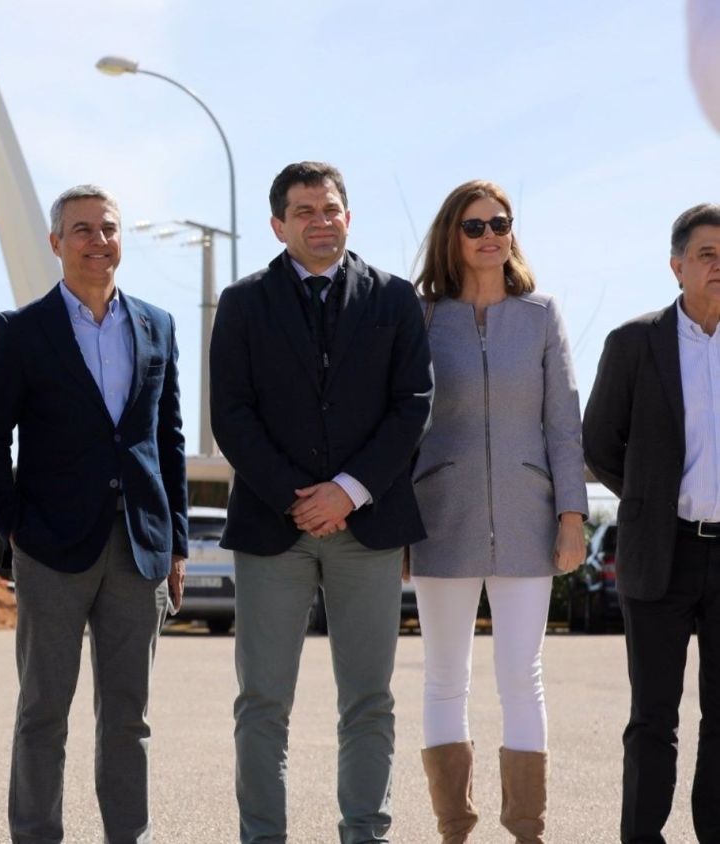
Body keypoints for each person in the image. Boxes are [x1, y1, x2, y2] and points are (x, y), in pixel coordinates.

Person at [210, 161, 433, 843]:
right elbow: (232, 413)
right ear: (278, 225)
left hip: (369, 527)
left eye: (331, 208)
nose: (320, 221)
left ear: (348, 216)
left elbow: (413, 405)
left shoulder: (395, 299)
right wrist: (295, 496)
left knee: (369, 701)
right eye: (304, 211)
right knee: (263, 702)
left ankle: (366, 833)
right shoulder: (244, 303)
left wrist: (349, 491)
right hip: (272, 527)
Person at [0, 184, 187, 844]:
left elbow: (166, 439)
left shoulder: (158, 325)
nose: (98, 240)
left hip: (139, 547)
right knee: (44, 711)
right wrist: (14, 522)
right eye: (82, 229)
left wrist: (174, 542)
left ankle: (130, 836)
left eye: (109, 228)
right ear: (57, 242)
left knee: (128, 715)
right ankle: (37, 835)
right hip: (51, 549)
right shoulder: (21, 330)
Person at [408, 180, 587, 844]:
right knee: (443, 679)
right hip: (439, 517)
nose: (490, 236)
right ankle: (454, 829)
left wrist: (572, 514)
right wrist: (396, 525)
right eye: (475, 226)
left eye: (500, 223)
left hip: (527, 517)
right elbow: (402, 423)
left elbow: (563, 423)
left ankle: (527, 831)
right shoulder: (419, 316)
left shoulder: (541, 316)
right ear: (452, 236)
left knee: (522, 676)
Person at [584, 202, 720, 844]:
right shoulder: (634, 343)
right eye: (706, 254)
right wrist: (646, 499)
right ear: (677, 266)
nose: (718, 266)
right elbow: (600, 444)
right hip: (660, 553)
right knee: (652, 719)